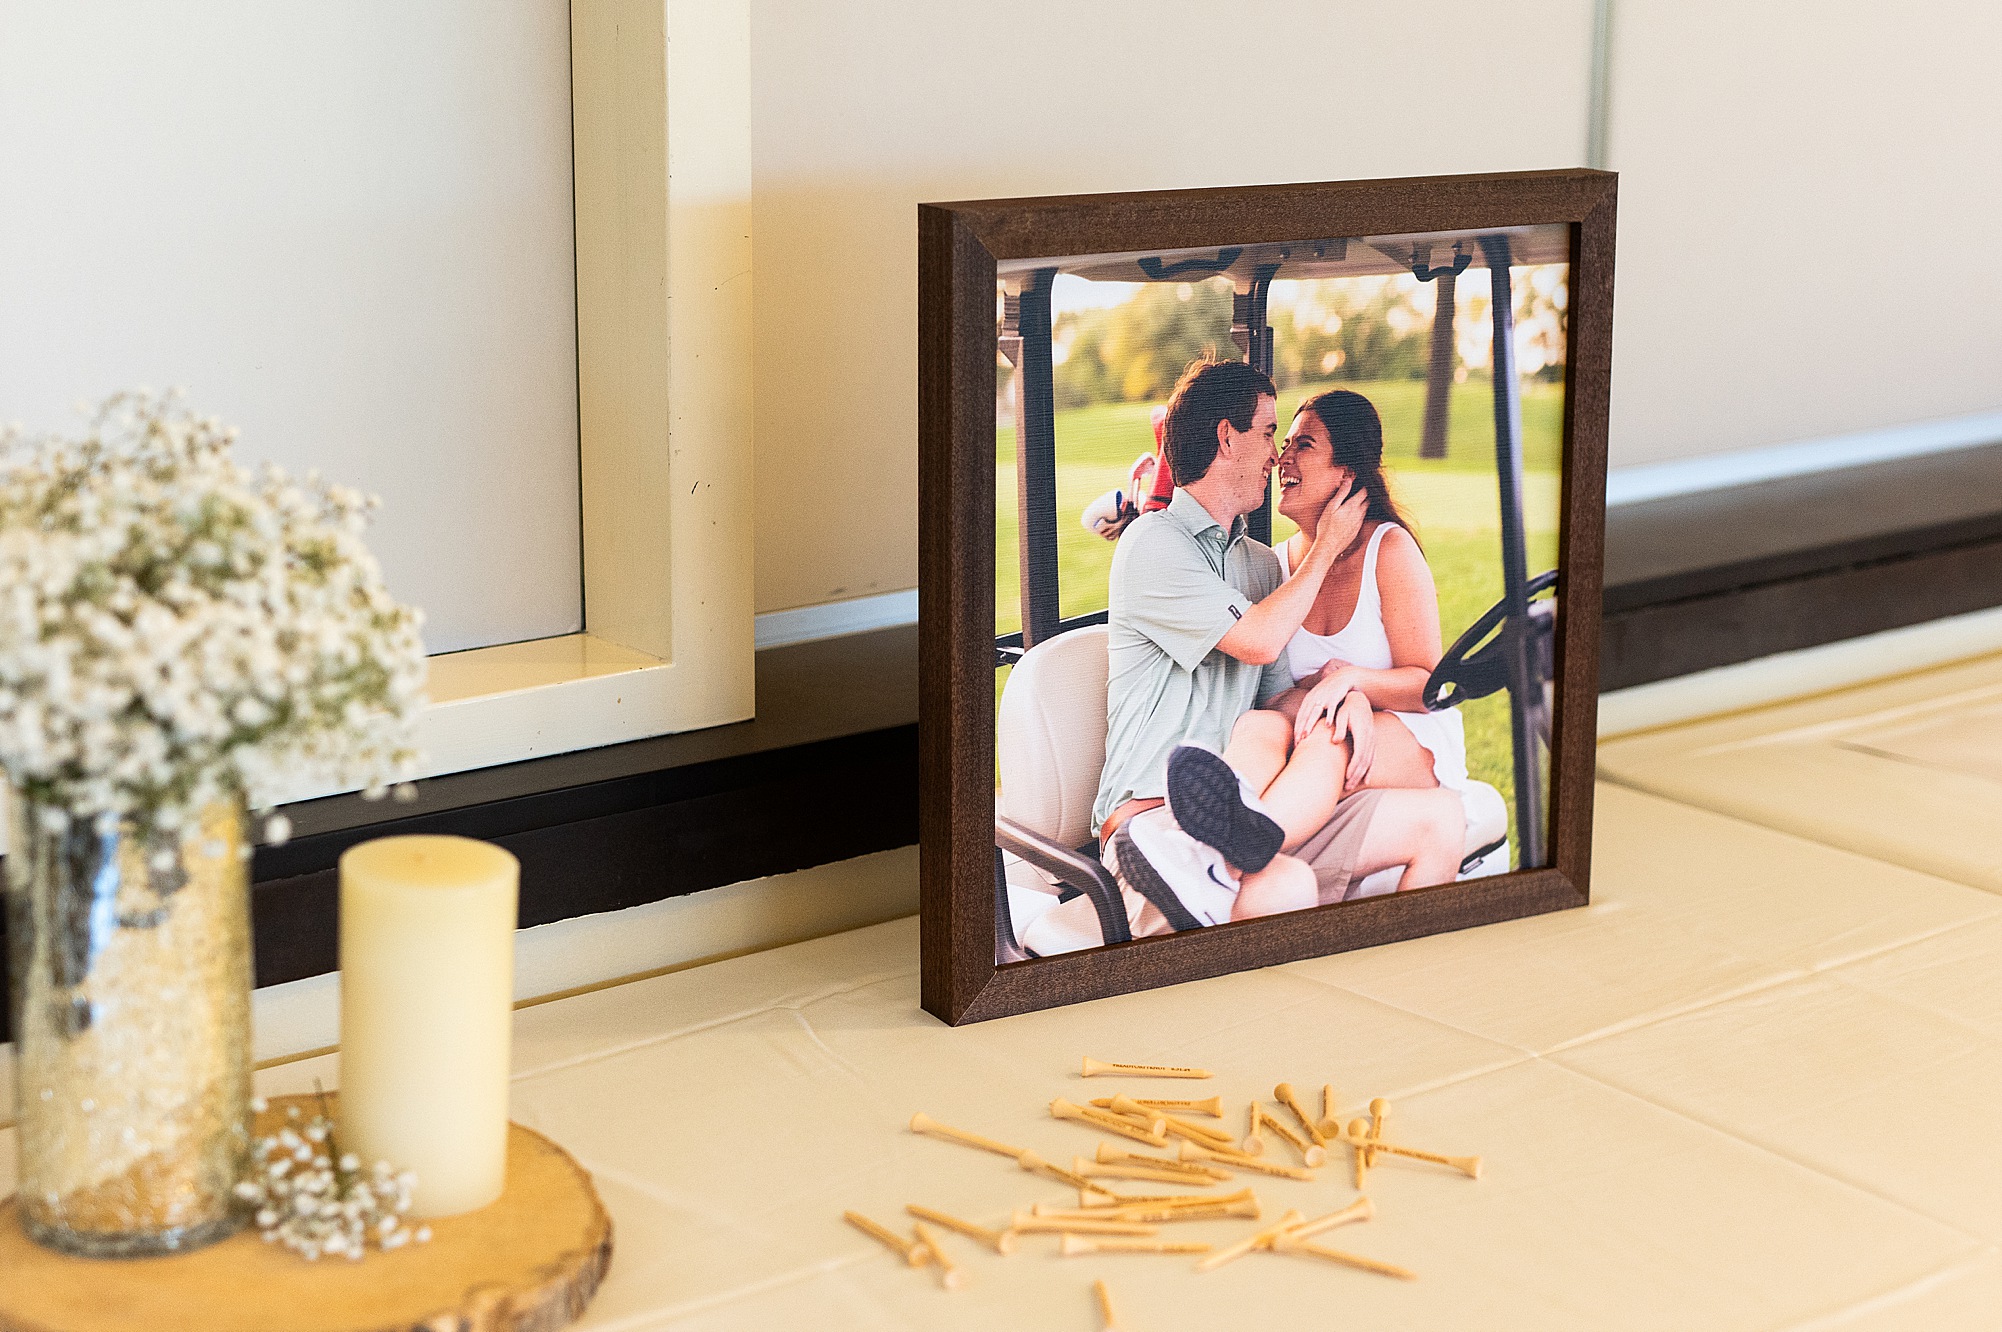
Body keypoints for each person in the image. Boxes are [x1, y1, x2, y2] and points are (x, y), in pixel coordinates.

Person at [1092, 358, 1465, 934]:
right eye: (1270, 434)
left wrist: (1348, 697)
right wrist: (1327, 547)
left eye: (1292, 442)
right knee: (1289, 886)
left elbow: (1277, 704)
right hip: (1152, 828)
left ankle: (1232, 858)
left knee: (1440, 819)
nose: (1276, 456)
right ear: (1226, 438)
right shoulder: (1153, 543)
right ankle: (1209, 858)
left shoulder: (1262, 568)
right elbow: (1260, 641)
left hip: (1246, 807)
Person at [1220, 388, 1468, 892]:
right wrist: (1332, 695)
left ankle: (1227, 862)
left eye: (1304, 445)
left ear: (1346, 474)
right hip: (1322, 727)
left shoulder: (1388, 550)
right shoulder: (1277, 565)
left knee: (1330, 740)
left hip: (1409, 733)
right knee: (1260, 724)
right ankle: (1217, 841)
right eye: (1284, 443)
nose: (1282, 459)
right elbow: (1275, 690)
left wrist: (1352, 682)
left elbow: (1428, 686)